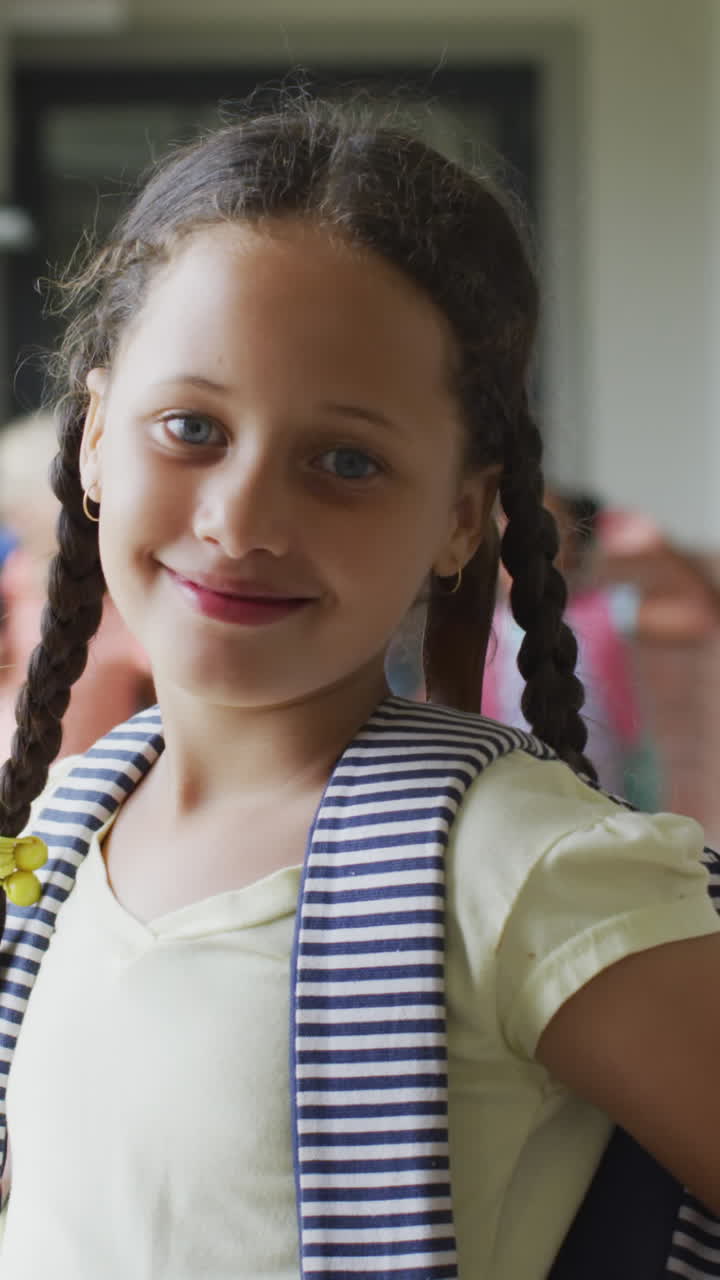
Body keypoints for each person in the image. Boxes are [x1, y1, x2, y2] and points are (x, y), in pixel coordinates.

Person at [0, 97, 718, 1280]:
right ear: (91, 444)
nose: (240, 521)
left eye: (346, 461)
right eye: (190, 426)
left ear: (458, 518)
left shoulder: (522, 870)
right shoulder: (53, 833)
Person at [0, 412, 154, 758]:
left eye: (24, 501)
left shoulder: (117, 600)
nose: (13, 517)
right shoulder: (17, 570)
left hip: (80, 777)